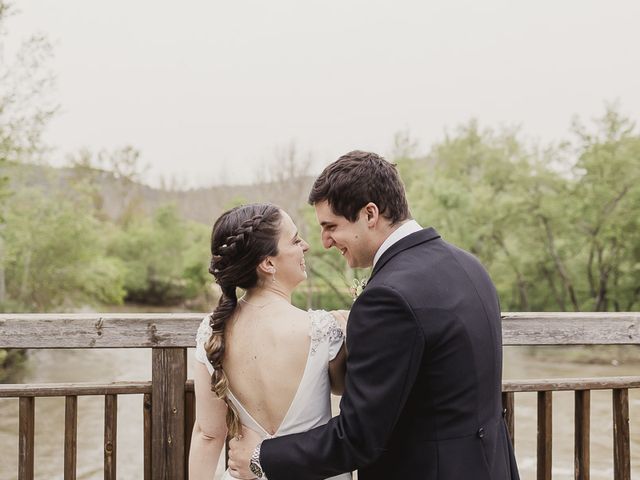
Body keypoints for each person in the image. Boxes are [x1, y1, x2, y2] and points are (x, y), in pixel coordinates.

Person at [228, 151, 520, 479]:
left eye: (331, 226)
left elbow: (359, 437)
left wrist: (261, 457)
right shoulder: (470, 266)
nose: (324, 242)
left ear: (370, 214)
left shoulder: (387, 297)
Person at [189, 203, 351, 480]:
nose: (307, 246)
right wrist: (348, 327)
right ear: (268, 263)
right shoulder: (322, 329)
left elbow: (208, 434)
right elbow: (342, 387)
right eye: (296, 240)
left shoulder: (211, 331)